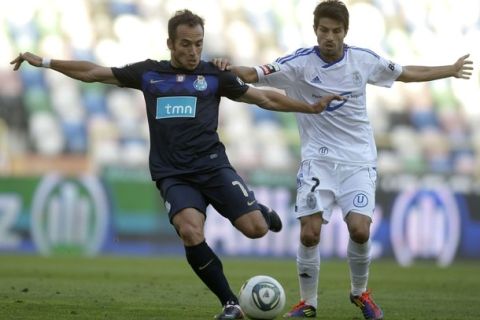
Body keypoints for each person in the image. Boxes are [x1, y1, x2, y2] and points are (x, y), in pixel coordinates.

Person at [10, 9, 344, 320]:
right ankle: (230, 303)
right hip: (173, 175)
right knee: (190, 231)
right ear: (170, 43)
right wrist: (46, 61)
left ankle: (258, 208)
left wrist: (309, 108)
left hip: (214, 167)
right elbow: (94, 72)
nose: (192, 51)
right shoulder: (150, 74)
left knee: (256, 230)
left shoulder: (215, 75)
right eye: (185, 44)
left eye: (198, 44)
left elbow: (264, 97)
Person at [213, 1, 474, 319]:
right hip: (317, 161)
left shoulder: (363, 60)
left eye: (336, 31)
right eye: (324, 30)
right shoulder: (299, 64)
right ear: (315, 30)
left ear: (345, 32)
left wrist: (450, 69)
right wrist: (225, 69)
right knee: (310, 232)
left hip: (359, 160)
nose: (330, 37)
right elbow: (255, 73)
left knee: (360, 231)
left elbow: (405, 73)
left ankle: (359, 292)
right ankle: (308, 303)